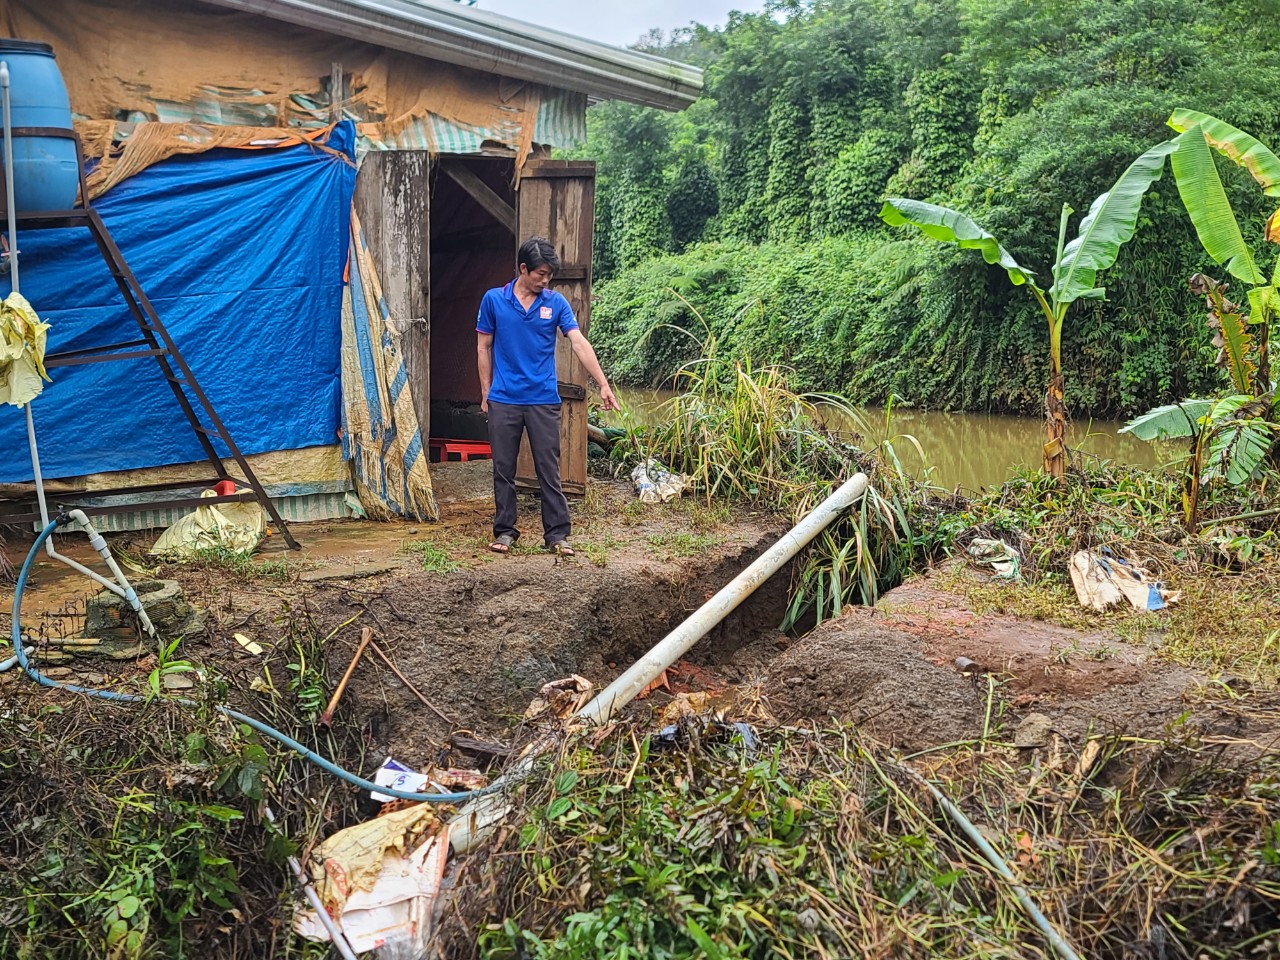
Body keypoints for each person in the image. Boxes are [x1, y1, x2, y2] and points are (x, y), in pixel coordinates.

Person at [476, 236, 618, 557]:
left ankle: (556, 534)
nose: (546, 280)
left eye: (549, 274)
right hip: (504, 399)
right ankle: (505, 531)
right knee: (503, 469)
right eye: (540, 274)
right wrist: (486, 392)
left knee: (548, 469)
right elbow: (483, 347)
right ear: (523, 269)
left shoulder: (555, 303)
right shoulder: (494, 300)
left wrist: (603, 384)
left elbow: (579, 343)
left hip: (542, 399)